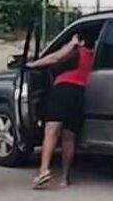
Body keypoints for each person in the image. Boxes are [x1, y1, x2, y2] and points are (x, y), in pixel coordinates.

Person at [28, 30, 96, 189]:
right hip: (79, 94)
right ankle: (64, 177)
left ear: (81, 42)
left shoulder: (76, 51)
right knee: (69, 135)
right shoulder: (91, 56)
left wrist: (33, 64)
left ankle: (44, 169)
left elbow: (55, 57)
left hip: (63, 90)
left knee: (51, 130)